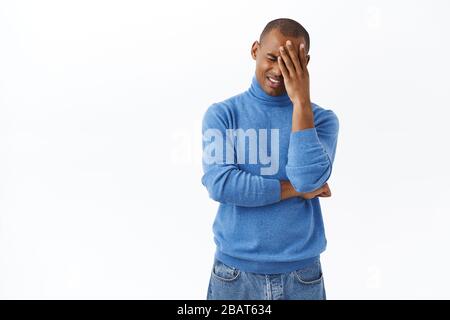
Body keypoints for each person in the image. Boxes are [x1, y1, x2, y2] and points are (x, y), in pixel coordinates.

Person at [201, 18, 339, 300]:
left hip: (302, 277)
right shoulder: (222, 115)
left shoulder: (322, 121)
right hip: (234, 276)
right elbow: (222, 185)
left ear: (306, 63)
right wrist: (295, 191)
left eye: (290, 63)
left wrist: (301, 101)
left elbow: (308, 178)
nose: (278, 70)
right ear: (255, 50)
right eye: (272, 58)